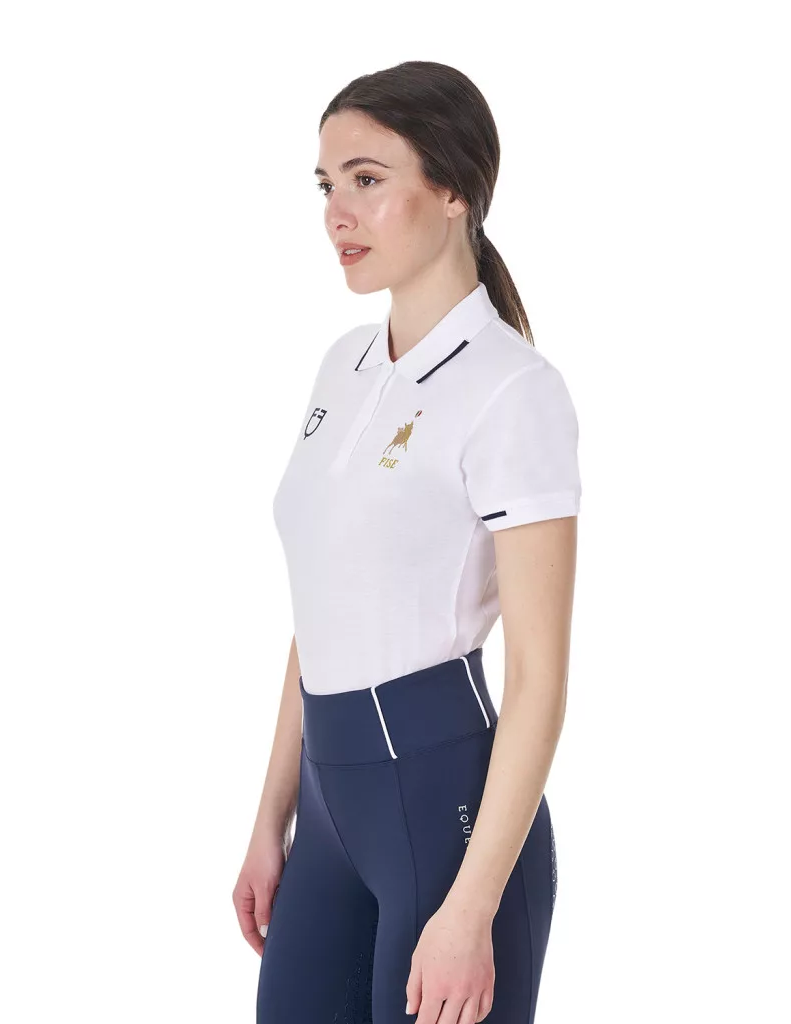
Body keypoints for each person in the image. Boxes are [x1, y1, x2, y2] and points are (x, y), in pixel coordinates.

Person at [233, 60, 582, 1024]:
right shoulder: (342, 367)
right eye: (326, 184)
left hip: (448, 821)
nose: (336, 213)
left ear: (455, 188)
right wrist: (271, 819)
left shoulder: (514, 392)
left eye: (367, 179)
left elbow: (540, 679)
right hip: (327, 818)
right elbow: (323, 608)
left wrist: (472, 909)